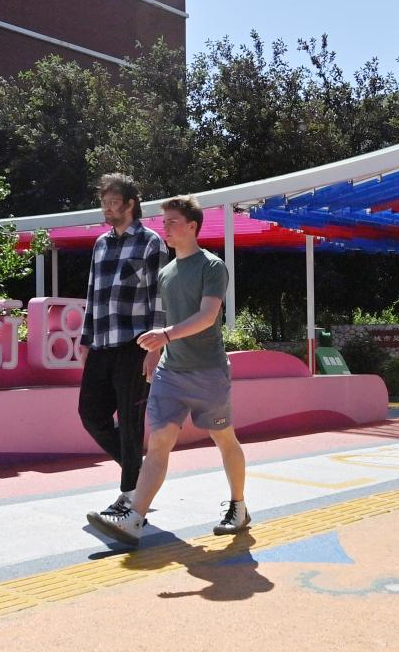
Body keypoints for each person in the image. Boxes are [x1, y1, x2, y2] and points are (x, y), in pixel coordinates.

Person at [88, 195, 250, 547]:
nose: (166, 228)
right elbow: (163, 316)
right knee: (159, 442)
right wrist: (157, 351)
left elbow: (207, 316)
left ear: (192, 226)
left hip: (207, 372)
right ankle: (135, 518)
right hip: (170, 372)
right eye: (164, 222)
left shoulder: (212, 267)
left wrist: (165, 336)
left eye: (173, 222)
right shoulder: (166, 272)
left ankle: (238, 506)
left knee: (224, 439)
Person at [78, 174, 166, 529]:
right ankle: (141, 475)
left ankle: (130, 497)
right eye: (105, 203)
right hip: (101, 343)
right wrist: (85, 338)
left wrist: (156, 347)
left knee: (131, 423)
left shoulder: (151, 242)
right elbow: (93, 293)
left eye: (114, 203)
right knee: (90, 414)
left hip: (136, 343)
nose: (108, 209)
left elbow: (159, 297)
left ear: (130, 204)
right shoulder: (100, 244)